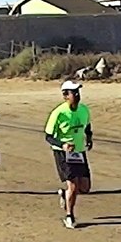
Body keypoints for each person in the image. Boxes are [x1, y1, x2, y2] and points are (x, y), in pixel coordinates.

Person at [44, 80, 93, 229]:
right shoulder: (58, 113)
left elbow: (87, 126)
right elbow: (48, 136)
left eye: (78, 92)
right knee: (73, 185)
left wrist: (89, 139)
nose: (77, 95)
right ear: (65, 95)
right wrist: (63, 145)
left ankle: (65, 197)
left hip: (79, 151)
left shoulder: (84, 109)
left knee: (85, 187)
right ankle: (69, 216)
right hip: (63, 153)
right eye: (73, 93)